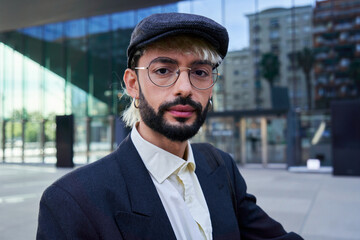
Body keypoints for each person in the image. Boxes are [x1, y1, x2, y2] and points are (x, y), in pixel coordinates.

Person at [37, 13, 303, 240]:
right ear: (132, 84)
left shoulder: (220, 166)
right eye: (163, 70)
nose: (185, 88)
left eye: (200, 72)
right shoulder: (70, 201)